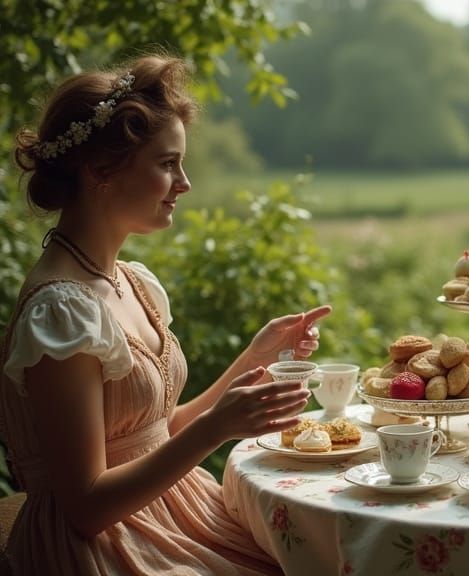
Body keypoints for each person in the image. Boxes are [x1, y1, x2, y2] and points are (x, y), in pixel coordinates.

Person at [1, 55, 331, 574]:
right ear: (99, 171)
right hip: (104, 545)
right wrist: (216, 431)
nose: (185, 183)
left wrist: (253, 358)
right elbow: (86, 507)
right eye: (167, 163)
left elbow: (153, 433)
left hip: (167, 513)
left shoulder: (129, 281)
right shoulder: (60, 312)